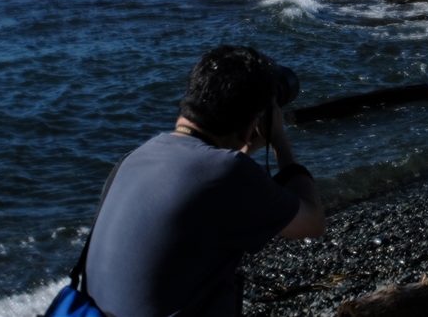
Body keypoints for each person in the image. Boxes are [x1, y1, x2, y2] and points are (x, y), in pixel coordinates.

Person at [85, 45, 325, 316]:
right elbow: (312, 222)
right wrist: (278, 138)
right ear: (251, 125)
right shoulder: (228, 173)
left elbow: (201, 188)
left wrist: (244, 148)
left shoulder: (132, 159)